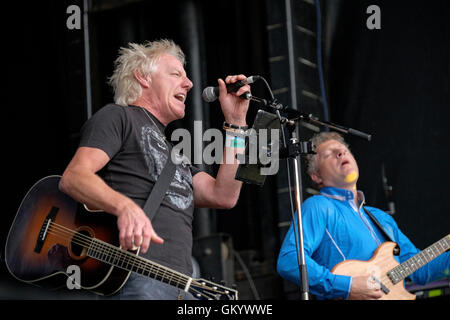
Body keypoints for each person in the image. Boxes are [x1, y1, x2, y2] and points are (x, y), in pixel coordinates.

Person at [59, 39, 250, 299]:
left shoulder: (176, 157)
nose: (189, 83)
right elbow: (74, 177)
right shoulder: (118, 117)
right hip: (136, 279)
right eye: (176, 74)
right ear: (143, 77)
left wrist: (236, 123)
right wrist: (124, 207)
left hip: (181, 284)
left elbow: (224, 195)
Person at [277, 131, 449, 300]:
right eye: (329, 154)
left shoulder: (382, 218)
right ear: (317, 176)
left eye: (345, 150)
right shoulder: (319, 206)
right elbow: (289, 260)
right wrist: (347, 286)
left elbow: (420, 270)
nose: (341, 152)